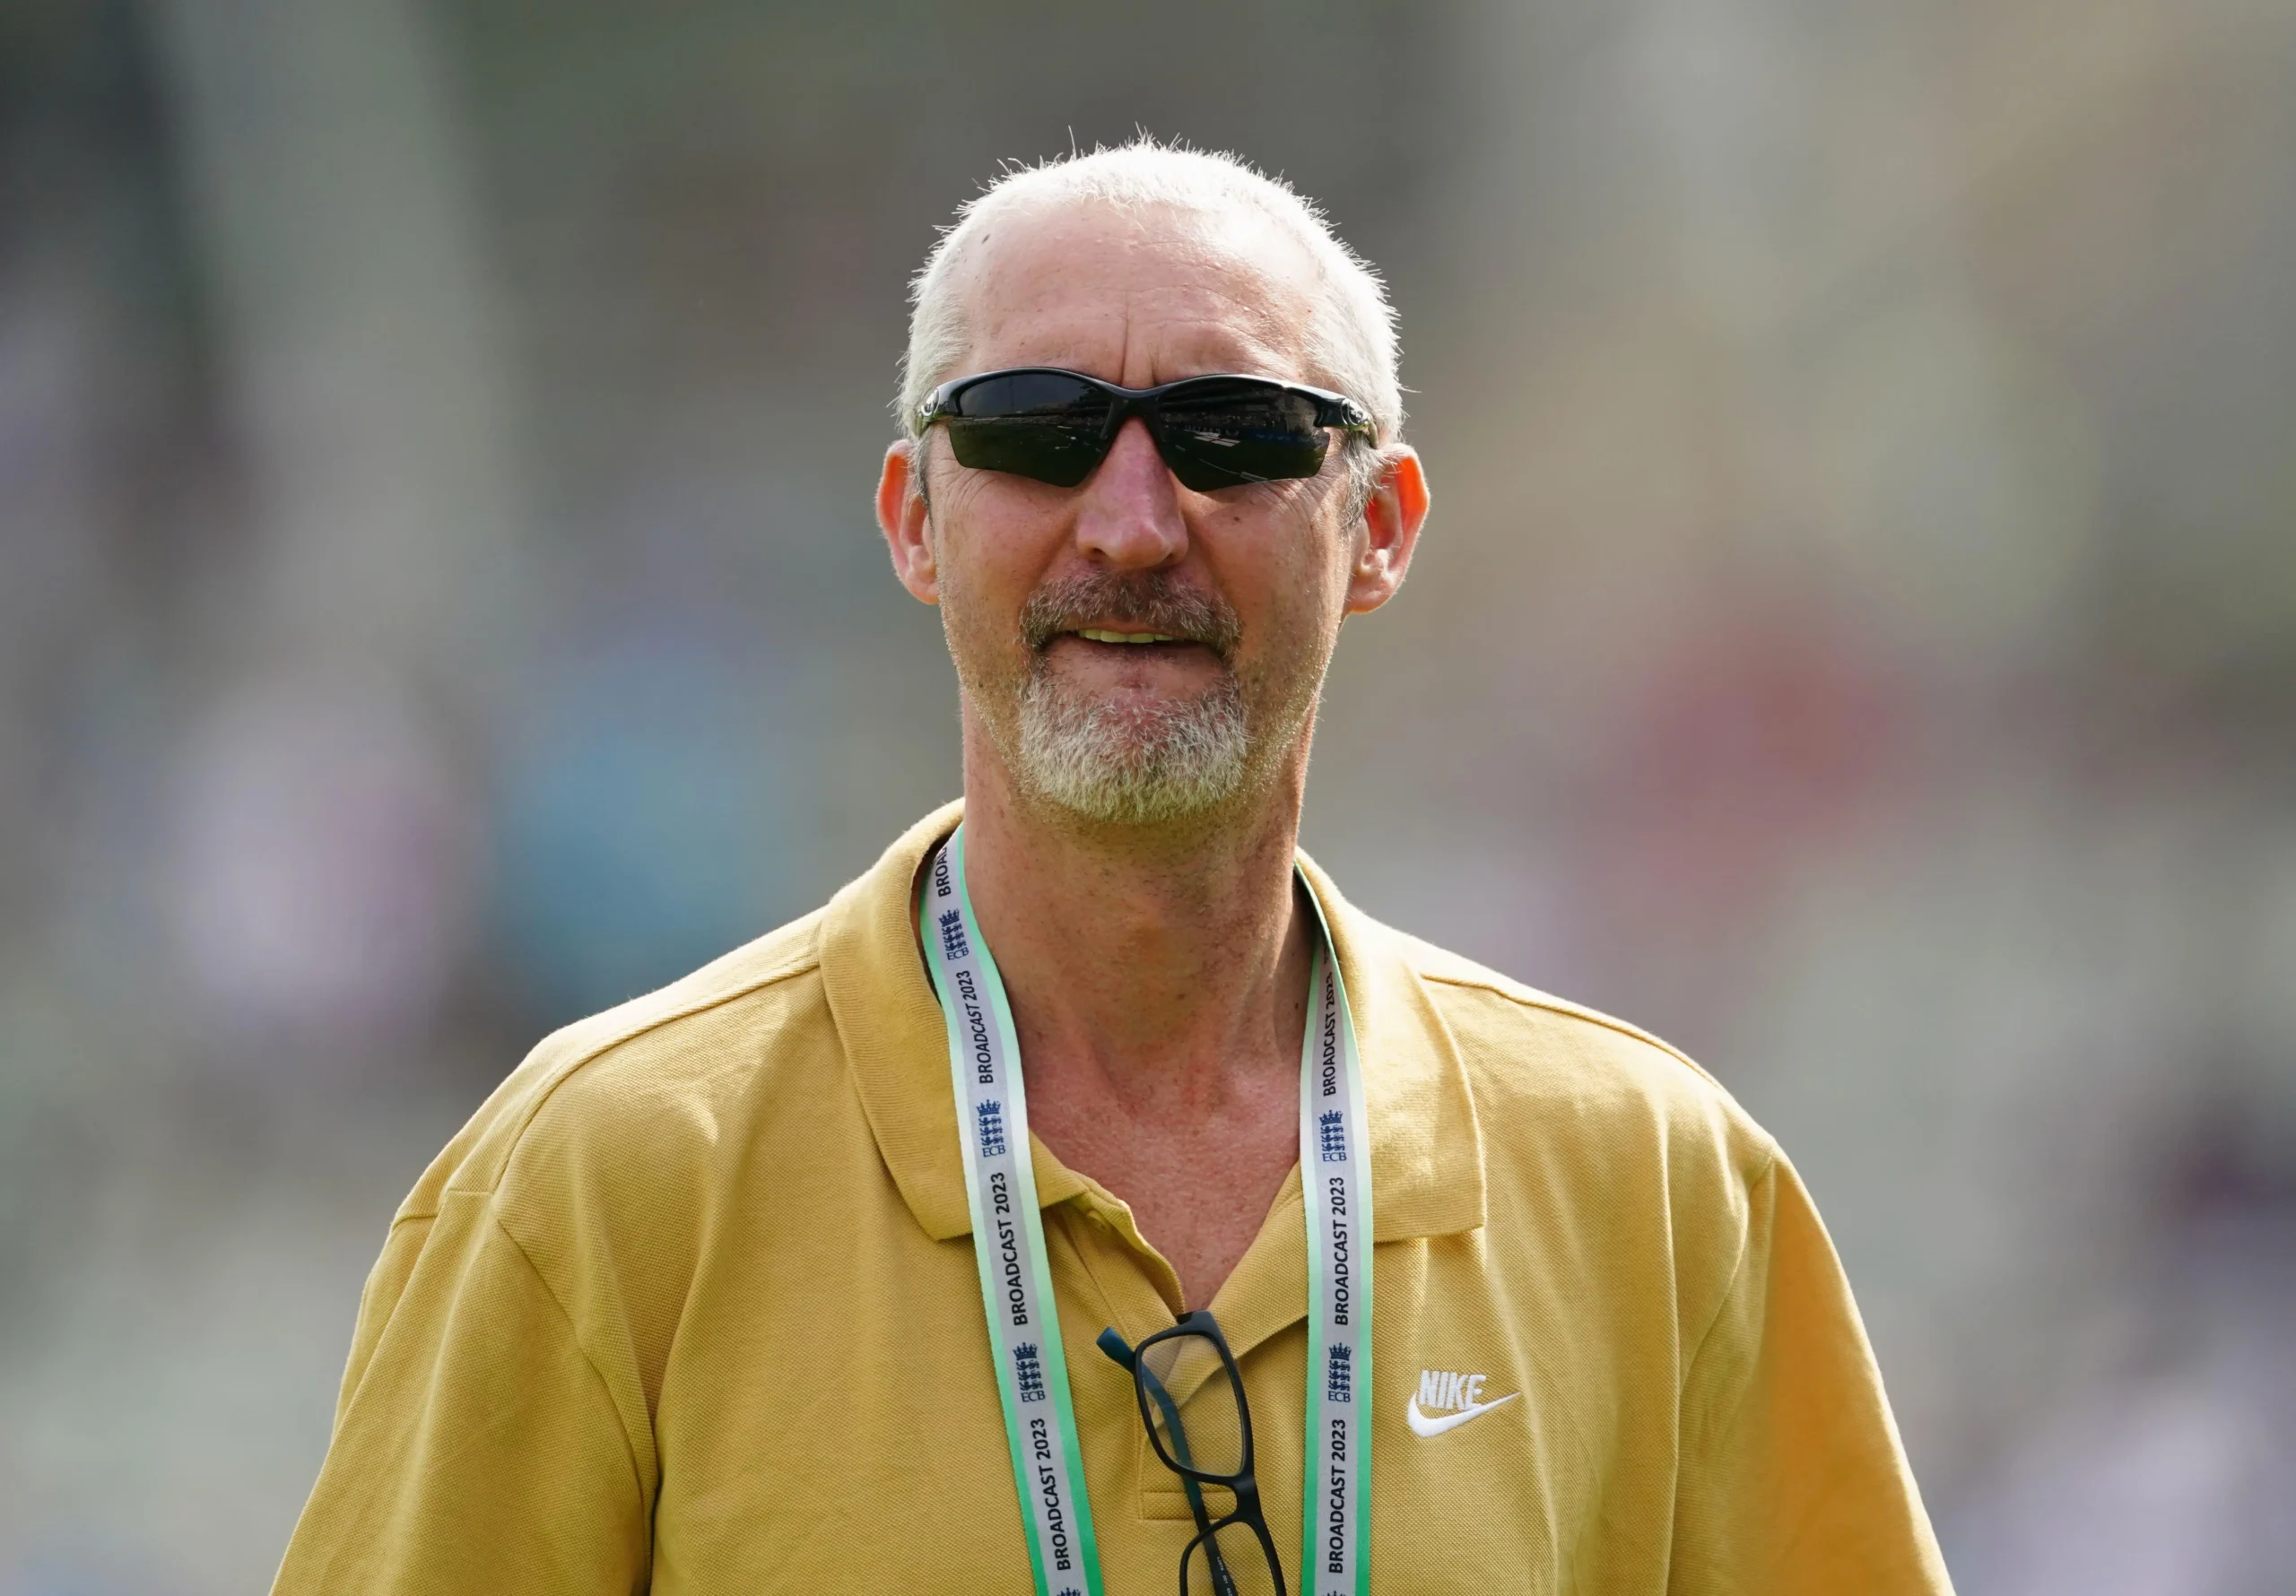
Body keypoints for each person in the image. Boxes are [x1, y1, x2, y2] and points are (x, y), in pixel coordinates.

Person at [272, 140, 1953, 1595]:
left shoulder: (1658, 1189)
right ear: (915, 518)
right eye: (1032, 428)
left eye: (1236, 432)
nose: (1135, 521)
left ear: (1379, 527)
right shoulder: (597, 1182)